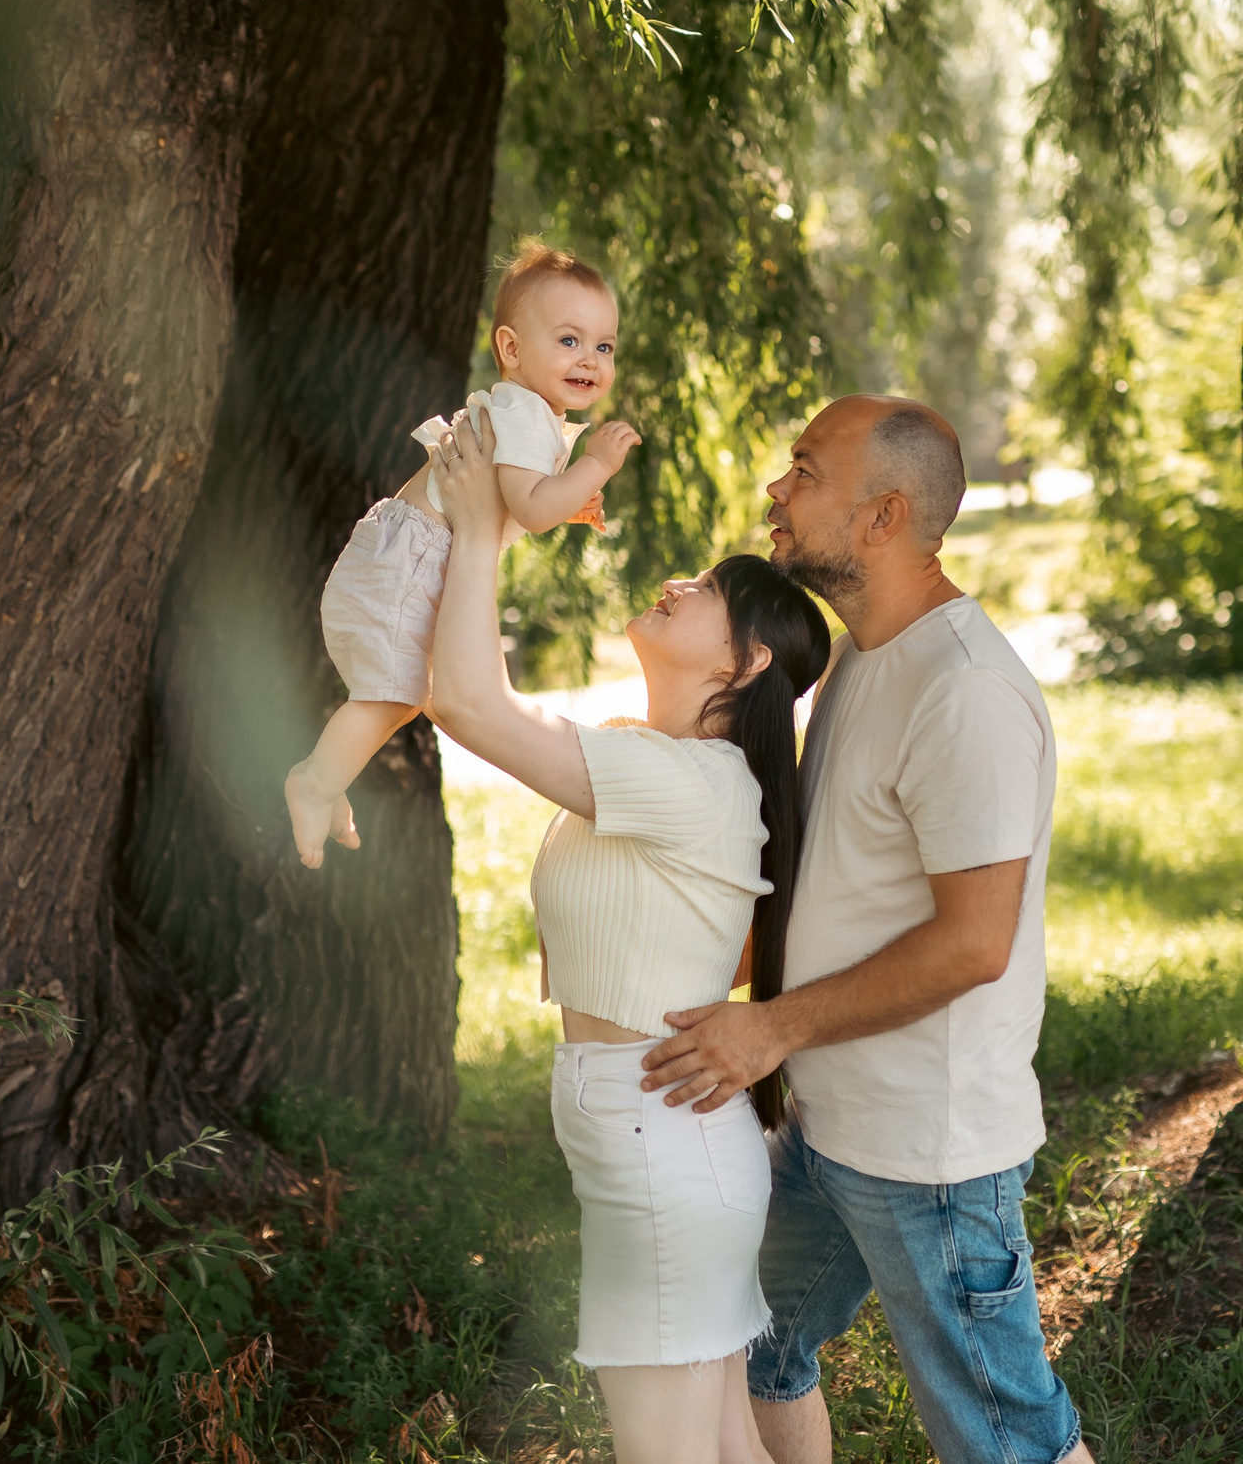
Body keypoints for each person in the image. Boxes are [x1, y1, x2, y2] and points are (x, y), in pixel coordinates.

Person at [638, 396, 1093, 1464]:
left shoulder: (965, 691)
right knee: (751, 1345)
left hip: (927, 1159)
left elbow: (973, 942)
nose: (775, 491)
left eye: (804, 470)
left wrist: (771, 1029)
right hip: (833, 1132)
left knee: (1004, 1438)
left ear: (884, 517)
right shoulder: (864, 658)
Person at [423, 405, 833, 1464]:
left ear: (743, 667)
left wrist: (482, 528)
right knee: (720, 1448)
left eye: (709, 591)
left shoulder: (689, 780)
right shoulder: (664, 767)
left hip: (659, 1145)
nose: (679, 585)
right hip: (662, 1140)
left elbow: (466, 700)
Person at [284, 240, 642, 868]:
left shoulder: (527, 412)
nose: (590, 358)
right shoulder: (529, 415)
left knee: (400, 696)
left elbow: (521, 499)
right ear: (511, 348)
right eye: (569, 340)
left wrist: (571, 497)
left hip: (404, 553)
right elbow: (531, 510)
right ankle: (314, 781)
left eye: (603, 346)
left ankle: (328, 779)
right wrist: (596, 466)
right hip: (412, 563)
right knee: (394, 697)